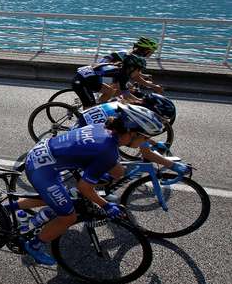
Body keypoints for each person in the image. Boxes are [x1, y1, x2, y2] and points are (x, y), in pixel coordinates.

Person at [16, 105, 164, 265]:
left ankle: (10, 206)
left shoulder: (104, 128)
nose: (146, 142)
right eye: (145, 138)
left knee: (64, 197)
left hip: (43, 153)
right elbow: (84, 187)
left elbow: (105, 163)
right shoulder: (108, 151)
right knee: (68, 217)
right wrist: (106, 206)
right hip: (43, 170)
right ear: (132, 133)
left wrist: (155, 145)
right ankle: (33, 245)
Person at [73, 100, 187, 174]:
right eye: (161, 119)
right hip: (86, 136)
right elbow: (146, 153)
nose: (162, 123)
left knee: (115, 164)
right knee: (115, 171)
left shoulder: (132, 109)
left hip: (83, 126)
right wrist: (173, 165)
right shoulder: (136, 119)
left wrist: (155, 144)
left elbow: (139, 136)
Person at [71, 54, 146, 109]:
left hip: (90, 79)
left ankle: (97, 106)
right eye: (139, 70)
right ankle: (82, 122)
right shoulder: (122, 74)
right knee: (90, 109)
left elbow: (121, 88)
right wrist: (140, 101)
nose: (139, 73)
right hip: (81, 82)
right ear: (131, 68)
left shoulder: (121, 69)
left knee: (110, 91)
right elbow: (126, 95)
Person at [98, 37, 162, 94]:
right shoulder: (135, 59)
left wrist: (143, 75)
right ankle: (100, 104)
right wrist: (153, 86)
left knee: (128, 87)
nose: (152, 54)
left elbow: (129, 70)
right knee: (122, 88)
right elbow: (135, 76)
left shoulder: (130, 53)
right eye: (152, 52)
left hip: (100, 72)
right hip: (100, 76)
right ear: (146, 51)